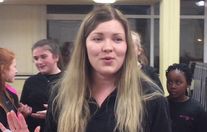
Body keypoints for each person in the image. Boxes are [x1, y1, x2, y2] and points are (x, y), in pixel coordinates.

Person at [0, 5, 171, 132]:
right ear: (84, 46)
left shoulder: (151, 98)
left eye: (117, 39)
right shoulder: (61, 94)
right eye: (98, 39)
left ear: (127, 47)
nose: (108, 47)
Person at [19, 39, 62, 132]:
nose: (39, 61)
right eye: (36, 58)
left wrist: (54, 115)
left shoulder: (69, 81)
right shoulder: (30, 82)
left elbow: (79, 111)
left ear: (56, 57)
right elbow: (23, 109)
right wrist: (25, 112)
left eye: (43, 57)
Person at [166, 63, 207, 132]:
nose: (173, 86)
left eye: (178, 82)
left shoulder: (197, 110)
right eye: (170, 82)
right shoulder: (161, 105)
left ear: (188, 84)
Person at [0, 48, 31, 131]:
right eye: (14, 66)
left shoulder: (10, 93)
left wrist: (22, 115)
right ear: (3, 68)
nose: (16, 71)